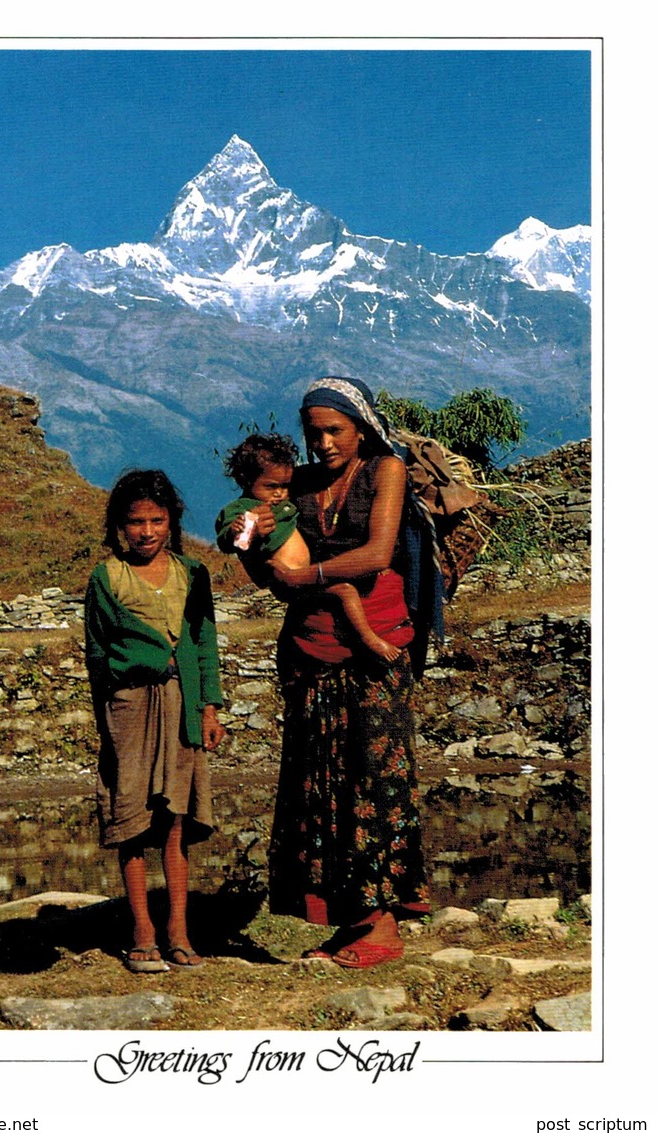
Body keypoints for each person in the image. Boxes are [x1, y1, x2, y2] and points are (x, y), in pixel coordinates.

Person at [266, 377, 435, 969]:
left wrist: (305, 579)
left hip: (373, 650)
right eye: (314, 432)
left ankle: (384, 925)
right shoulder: (306, 483)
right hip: (314, 652)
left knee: (374, 781)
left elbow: (377, 553)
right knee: (323, 782)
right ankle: (351, 918)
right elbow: (277, 554)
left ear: (360, 426)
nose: (324, 442)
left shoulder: (384, 470)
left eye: (335, 430)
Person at [85, 469, 225, 972]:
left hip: (183, 704)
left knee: (176, 820)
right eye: (135, 522)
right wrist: (109, 716)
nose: (146, 531)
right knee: (132, 817)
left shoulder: (193, 574)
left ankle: (179, 931)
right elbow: (98, 653)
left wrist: (210, 706)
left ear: (172, 521)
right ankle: (142, 932)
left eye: (156, 520)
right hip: (128, 707)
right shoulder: (107, 578)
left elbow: (204, 642)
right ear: (120, 526)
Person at [215, 433, 404, 661]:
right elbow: (234, 542)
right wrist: (245, 531)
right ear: (246, 481)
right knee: (345, 592)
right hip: (288, 580)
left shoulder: (286, 500)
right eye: (272, 486)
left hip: (302, 575)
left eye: (285, 486)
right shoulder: (246, 510)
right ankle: (369, 638)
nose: (280, 493)